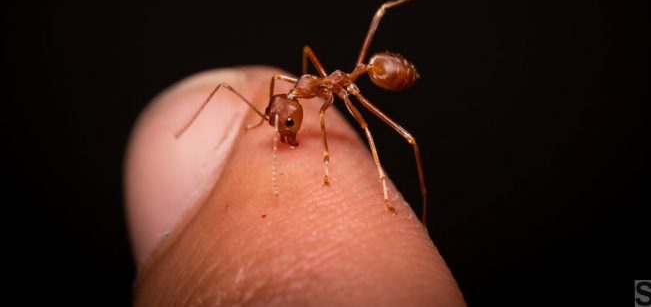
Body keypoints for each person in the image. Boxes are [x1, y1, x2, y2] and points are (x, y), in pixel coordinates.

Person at [125, 67, 466, 305]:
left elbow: (319, 113)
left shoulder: (320, 100)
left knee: (406, 139)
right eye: (284, 123)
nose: (286, 129)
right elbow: (281, 89)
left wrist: (327, 163)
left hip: (381, 71)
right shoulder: (298, 88)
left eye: (286, 124)